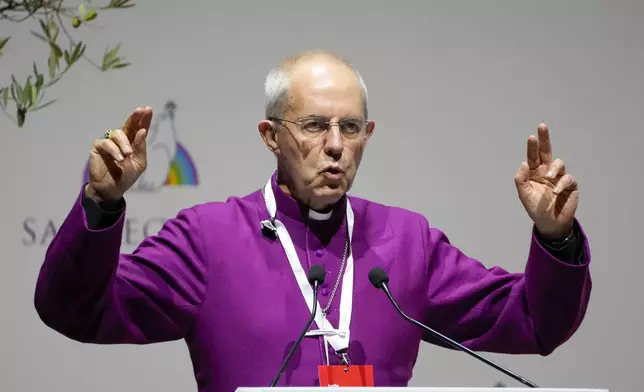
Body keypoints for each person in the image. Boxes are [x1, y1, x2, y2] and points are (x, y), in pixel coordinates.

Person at [34, 50, 592, 392]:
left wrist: (556, 238)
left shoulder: (408, 244)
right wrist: (102, 207)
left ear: (367, 138)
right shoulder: (207, 239)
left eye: (351, 128)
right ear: (270, 136)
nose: (334, 146)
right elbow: (74, 310)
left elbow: (533, 322)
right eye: (313, 126)